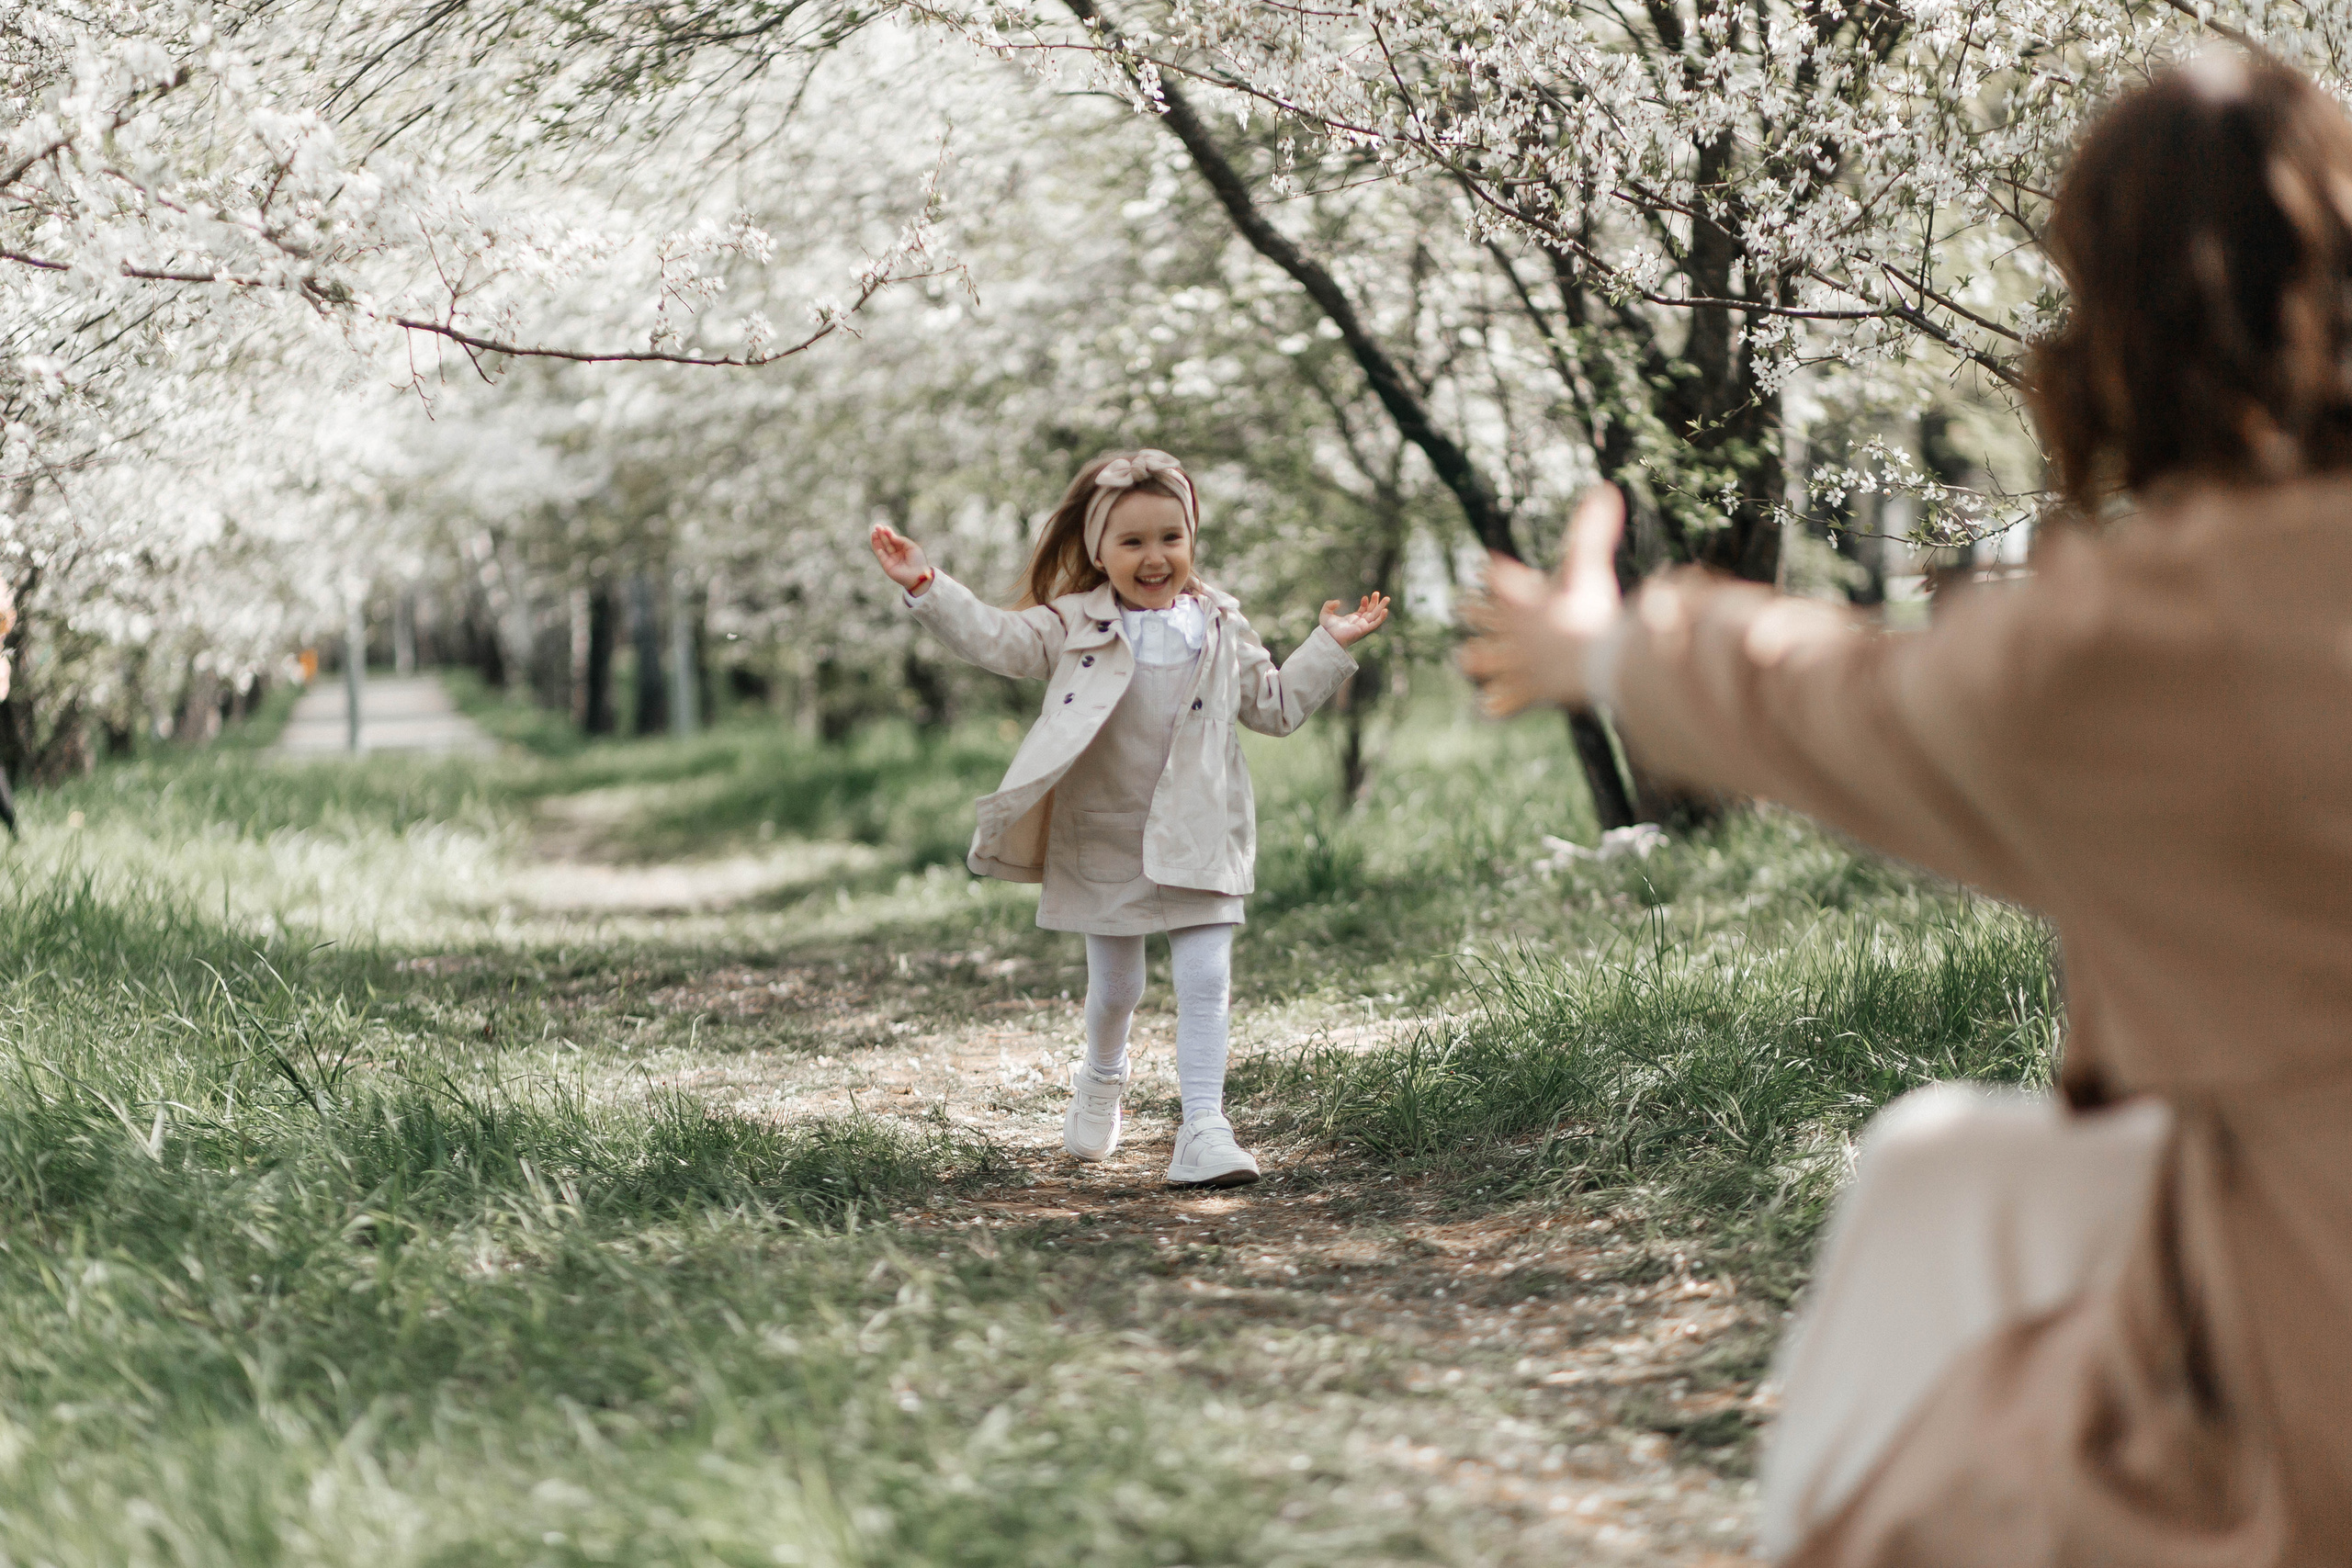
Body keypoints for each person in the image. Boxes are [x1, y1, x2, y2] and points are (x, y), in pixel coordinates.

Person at [1462, 53, 2352, 1568]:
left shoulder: (2139, 645)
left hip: (2312, 1352)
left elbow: (1853, 701)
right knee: (1943, 1164)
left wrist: (1605, 648)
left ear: (2111, 324)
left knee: (1924, 1499)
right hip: (2266, 1176)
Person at [869, 450, 1389, 1186]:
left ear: (1193, 540)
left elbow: (1273, 707)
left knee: (1206, 978)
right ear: (1098, 551)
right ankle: (1102, 1076)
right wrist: (928, 584)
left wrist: (1327, 646)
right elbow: (997, 639)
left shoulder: (1220, 623)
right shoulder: (1073, 624)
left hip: (1201, 828)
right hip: (1105, 830)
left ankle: (1204, 1126)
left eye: (1171, 538)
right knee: (1117, 989)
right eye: (1132, 541)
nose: (1154, 557)